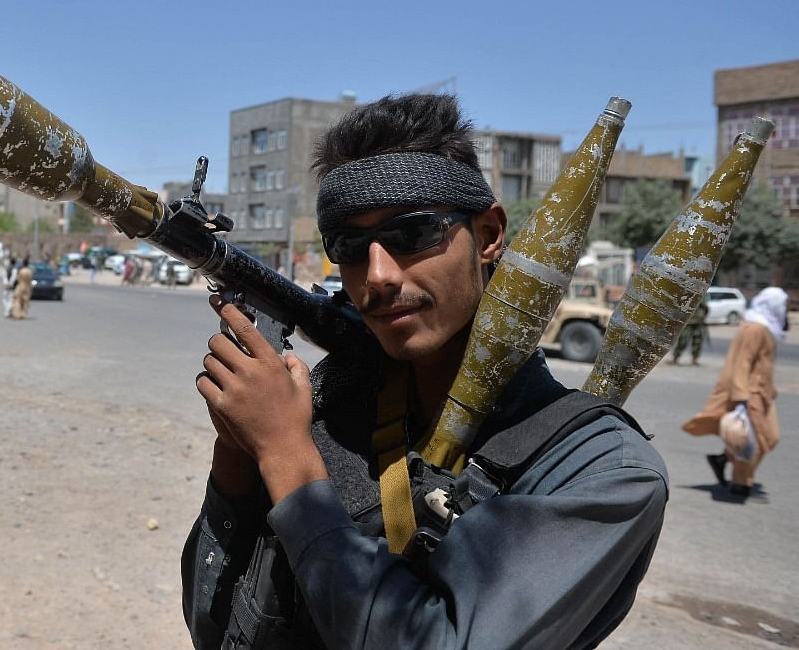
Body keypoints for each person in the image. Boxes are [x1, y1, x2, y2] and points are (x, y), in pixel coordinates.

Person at [182, 94, 668, 650]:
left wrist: (284, 458)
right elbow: (214, 625)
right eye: (351, 246)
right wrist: (239, 450)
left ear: (488, 236)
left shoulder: (599, 472)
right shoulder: (326, 407)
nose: (379, 275)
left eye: (412, 234)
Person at [681, 286, 786, 500]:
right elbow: (741, 363)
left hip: (764, 394)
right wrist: (741, 398)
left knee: (770, 438)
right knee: (754, 439)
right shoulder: (754, 328)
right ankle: (741, 484)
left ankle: (724, 458)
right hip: (750, 394)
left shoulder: (763, 327)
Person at [670, 299, 709, 365]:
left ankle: (694, 359)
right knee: (683, 341)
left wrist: (702, 317)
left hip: (699, 323)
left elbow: (706, 309)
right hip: (688, 323)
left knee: (697, 342)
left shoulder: (702, 299)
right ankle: (675, 358)